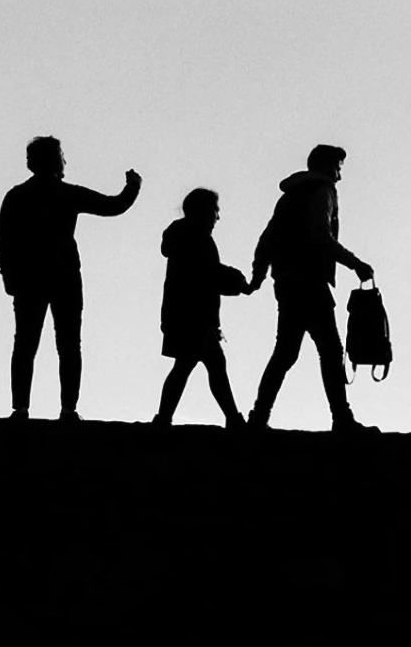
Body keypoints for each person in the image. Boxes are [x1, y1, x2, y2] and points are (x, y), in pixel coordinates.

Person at [0, 136, 140, 420]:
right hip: (64, 278)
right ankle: (68, 409)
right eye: (61, 155)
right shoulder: (67, 193)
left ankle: (21, 408)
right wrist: (133, 187)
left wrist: (9, 274)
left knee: (25, 344)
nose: (65, 161)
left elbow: (1, 240)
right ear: (55, 160)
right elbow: (114, 205)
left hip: (30, 279)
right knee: (68, 345)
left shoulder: (17, 195)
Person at [247, 144, 374, 432]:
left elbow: (267, 239)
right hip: (310, 282)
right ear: (328, 166)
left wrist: (258, 276)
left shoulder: (290, 196)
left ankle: (258, 417)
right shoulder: (323, 191)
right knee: (330, 350)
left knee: (285, 353)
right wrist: (355, 264)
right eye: (338, 168)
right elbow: (321, 236)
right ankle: (342, 419)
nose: (340, 176)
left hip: (287, 282)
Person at [153, 188, 256, 428]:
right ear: (204, 211)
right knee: (209, 366)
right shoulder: (198, 238)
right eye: (215, 210)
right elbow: (208, 273)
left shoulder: (181, 236)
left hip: (181, 314)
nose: (218, 217)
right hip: (196, 316)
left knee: (189, 366)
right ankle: (233, 419)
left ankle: (164, 418)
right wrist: (239, 282)